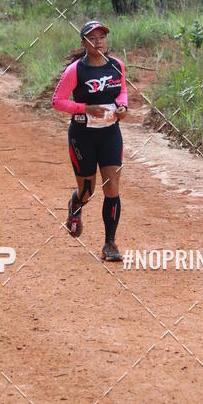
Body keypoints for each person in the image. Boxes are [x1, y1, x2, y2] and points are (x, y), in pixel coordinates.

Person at [52, 20, 128, 262]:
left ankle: (110, 244)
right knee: (87, 190)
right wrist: (85, 108)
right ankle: (75, 206)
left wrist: (123, 106)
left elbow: (122, 91)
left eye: (101, 37)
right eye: (92, 38)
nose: (98, 42)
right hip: (83, 136)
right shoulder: (75, 70)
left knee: (112, 187)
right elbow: (58, 101)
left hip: (110, 134)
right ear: (83, 43)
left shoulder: (117, 66)